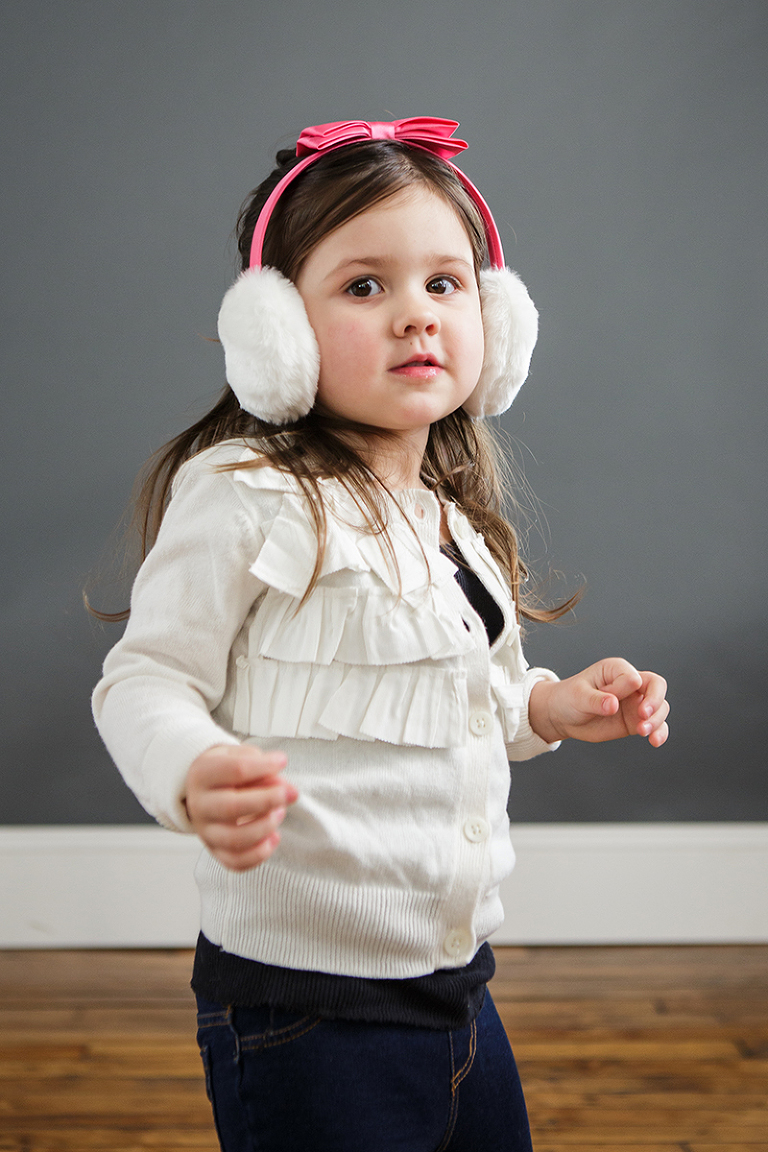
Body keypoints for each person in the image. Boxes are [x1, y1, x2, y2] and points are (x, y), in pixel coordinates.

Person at [92, 118, 669, 1152]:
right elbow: (144, 680)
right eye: (365, 286)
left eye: (445, 283)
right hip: (305, 1011)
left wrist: (548, 705)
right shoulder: (246, 495)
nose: (416, 314)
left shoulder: (452, 520)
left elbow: (466, 691)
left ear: (495, 319)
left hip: (459, 987)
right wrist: (192, 768)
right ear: (277, 332)